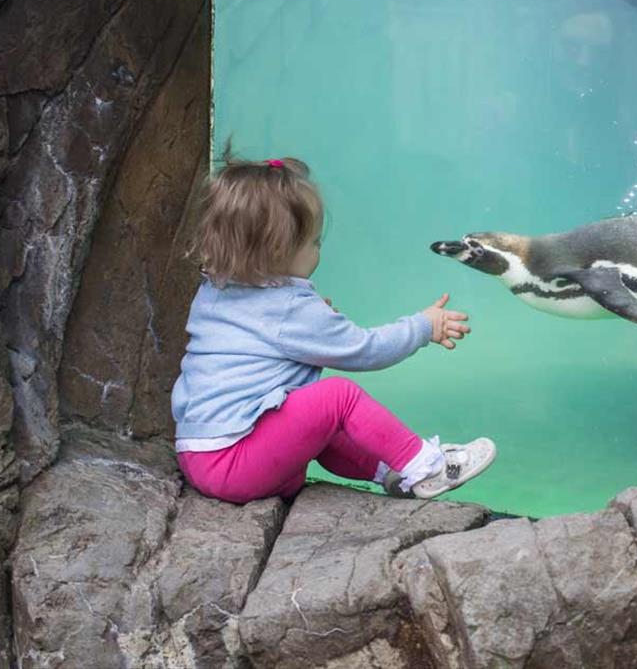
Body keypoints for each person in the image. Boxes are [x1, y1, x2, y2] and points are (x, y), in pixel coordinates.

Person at [170, 154, 494, 504]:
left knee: (315, 415)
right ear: (278, 250)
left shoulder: (215, 289)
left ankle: (393, 473)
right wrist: (422, 327)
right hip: (235, 463)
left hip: (198, 457)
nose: (319, 249)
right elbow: (364, 349)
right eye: (314, 242)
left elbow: (260, 346)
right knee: (337, 399)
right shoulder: (290, 308)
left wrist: (311, 323)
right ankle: (427, 467)